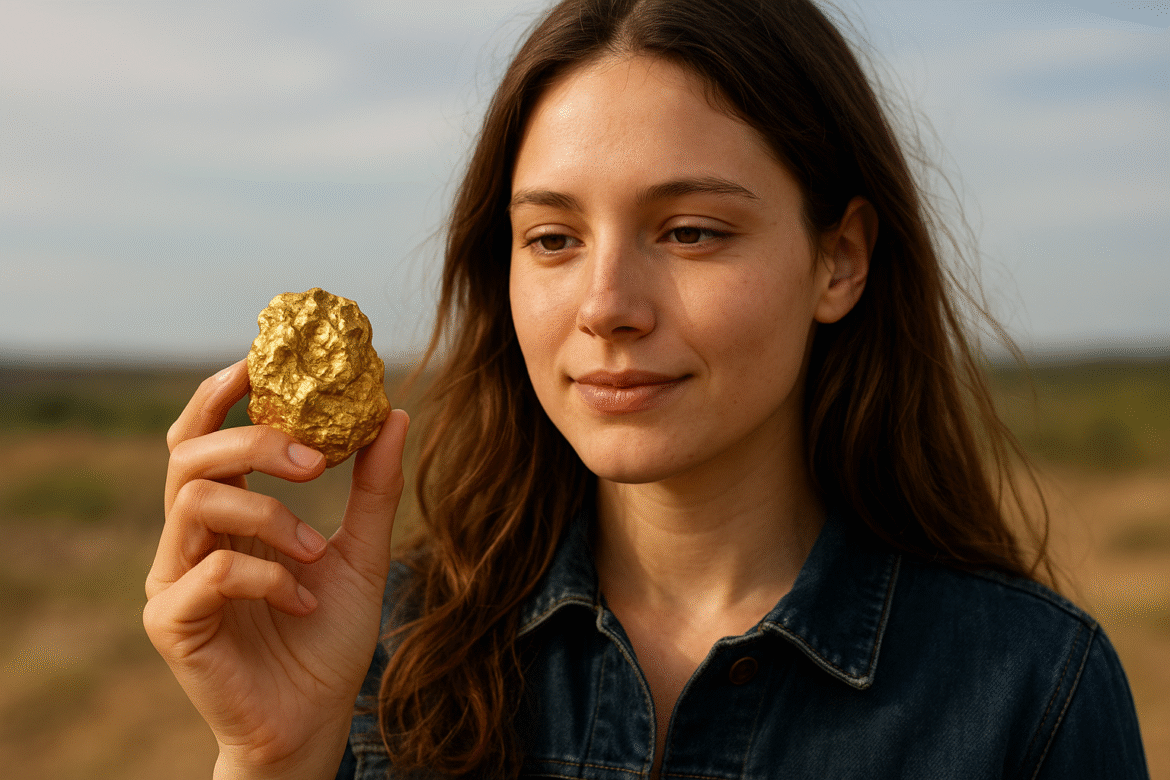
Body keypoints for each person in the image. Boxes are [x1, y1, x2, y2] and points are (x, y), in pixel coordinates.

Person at [144, 0, 1150, 778]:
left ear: (839, 260)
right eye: (552, 239)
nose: (606, 306)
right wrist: (275, 758)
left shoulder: (1027, 691)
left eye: (690, 232)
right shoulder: (388, 652)